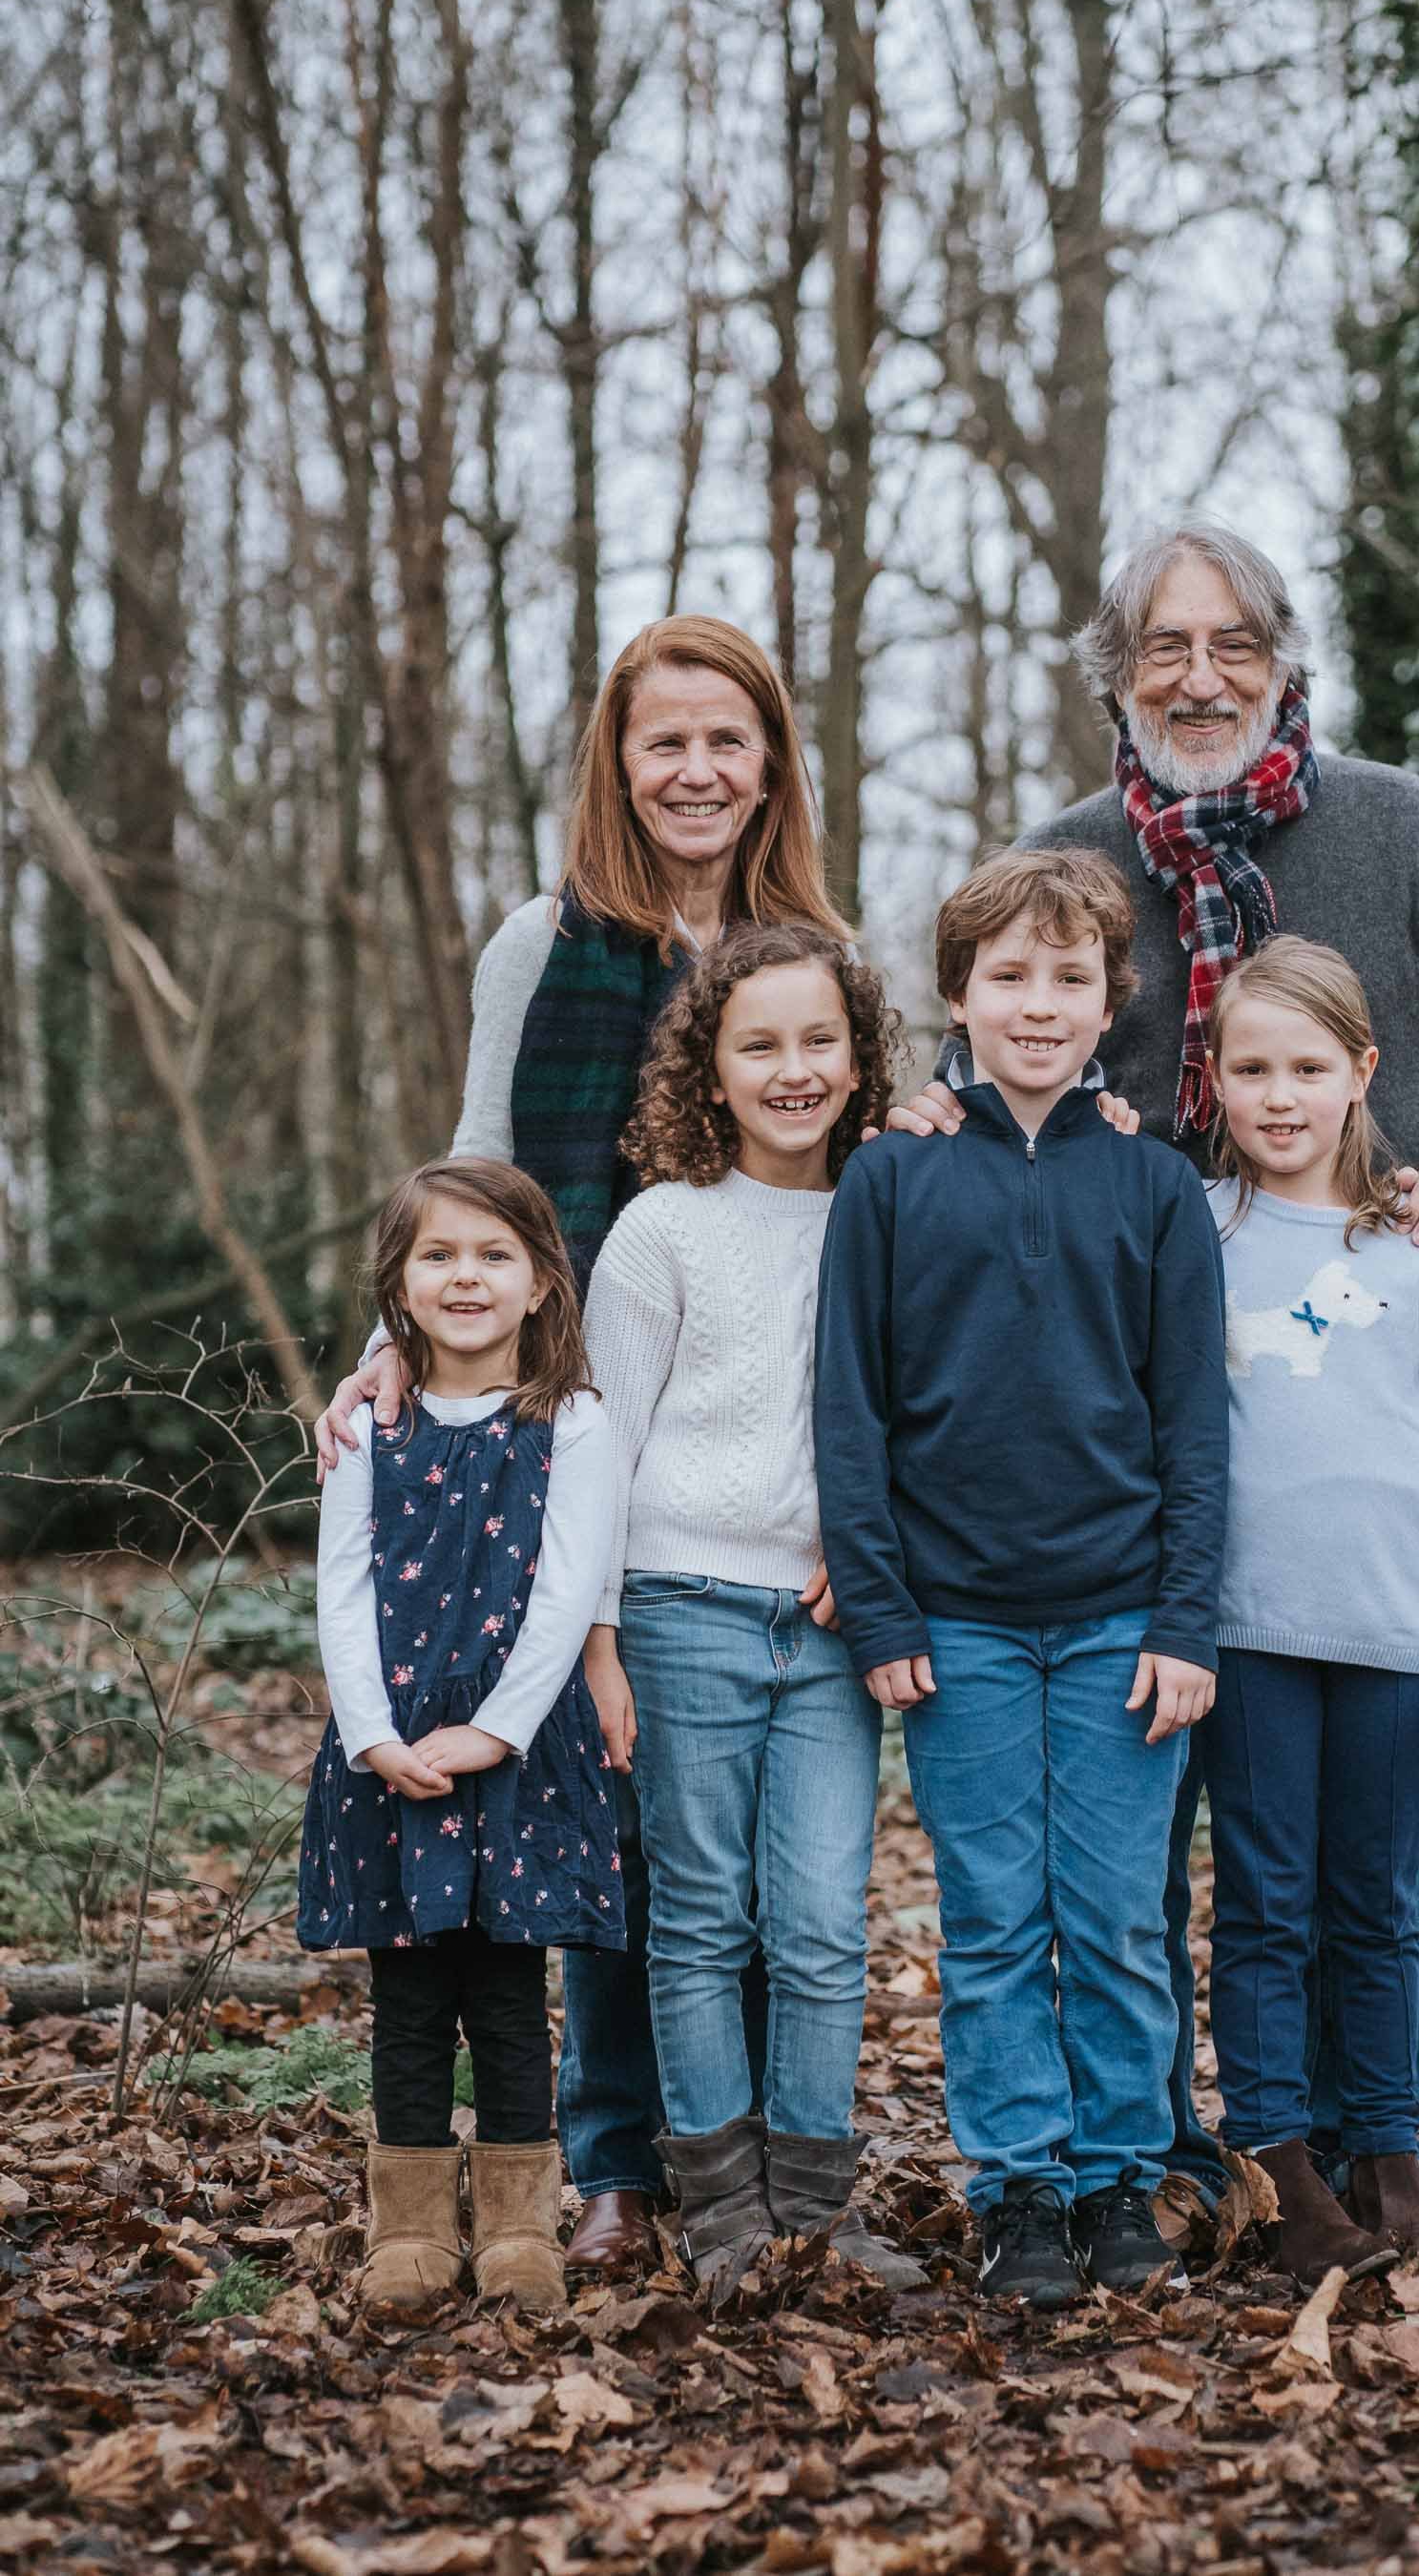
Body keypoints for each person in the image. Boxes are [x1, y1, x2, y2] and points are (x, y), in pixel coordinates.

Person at [892, 522, 1419, 2196]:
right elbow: (982, 1068)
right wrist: (916, 1110)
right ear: (1118, 674)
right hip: (1128, 1454)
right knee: (1157, 1852)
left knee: (1377, 1856)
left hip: (1366, 1394)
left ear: (1283, 662)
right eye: (1164, 649)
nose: (1200, 679)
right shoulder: (1062, 862)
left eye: (1233, 646)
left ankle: (1361, 2136)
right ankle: (1195, 2151)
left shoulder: (1404, 833)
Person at [315, 615, 851, 2276]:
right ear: (617, 764)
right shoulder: (542, 942)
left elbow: (886, 1161)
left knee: (756, 1850)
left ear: (771, 761)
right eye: (663, 741)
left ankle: (756, 2154)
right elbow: (481, 1165)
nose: (696, 770)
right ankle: (620, 2159)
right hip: (580, 1410)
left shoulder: (816, 950)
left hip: (763, 1421)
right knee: (608, 1808)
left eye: (728, 741)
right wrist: (387, 1352)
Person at [815, 847, 1228, 2308]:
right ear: (958, 997)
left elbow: (1195, 1425)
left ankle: (1124, 2179)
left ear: (1114, 1001)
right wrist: (880, 1607)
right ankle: (1021, 2193)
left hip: (1124, 1620)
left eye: (1070, 980)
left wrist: (1189, 1622)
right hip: (961, 1629)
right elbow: (849, 1414)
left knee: (1119, 1914)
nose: (1039, 1005)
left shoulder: (1157, 1187)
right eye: (1009, 978)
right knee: (995, 1920)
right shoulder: (892, 1174)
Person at [579, 924, 920, 2300]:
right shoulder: (664, 1228)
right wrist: (596, 1638)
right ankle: (722, 2218)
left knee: (826, 1922)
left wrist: (884, 1556)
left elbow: (925, 1414)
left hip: (834, 1624)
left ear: (859, 1058)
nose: (793, 1069)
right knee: (702, 1918)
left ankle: (816, 2210)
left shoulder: (891, 1211)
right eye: (759, 1046)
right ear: (708, 1072)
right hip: (681, 1606)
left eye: (818, 1042)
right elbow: (597, 1439)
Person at [1201, 940, 1419, 2281]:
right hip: (1249, 1634)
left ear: (1362, 1073)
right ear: (1211, 1078)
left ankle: (1389, 2151)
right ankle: (1278, 2159)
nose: (1281, 1096)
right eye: (1252, 1068)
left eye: (1309, 1068)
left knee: (1380, 1905)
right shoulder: (1194, 1233)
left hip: (1396, 1638)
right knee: (1266, 1903)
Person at [298, 1158, 622, 2313]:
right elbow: (339, 1589)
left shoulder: (571, 1422)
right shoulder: (367, 1427)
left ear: (541, 1280)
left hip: (516, 1753)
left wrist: (495, 1729)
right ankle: (412, 2231)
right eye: (437, 1254)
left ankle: (521, 2226)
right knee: (411, 1993)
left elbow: (568, 1587)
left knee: (505, 1988)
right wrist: (374, 1736)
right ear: (397, 1282)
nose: (465, 1276)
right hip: (390, 1754)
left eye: (493, 1254)